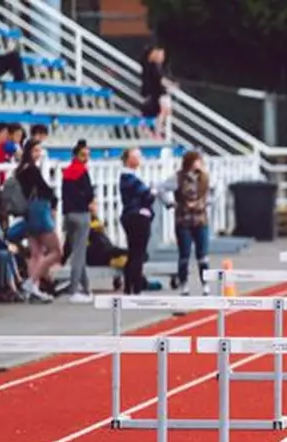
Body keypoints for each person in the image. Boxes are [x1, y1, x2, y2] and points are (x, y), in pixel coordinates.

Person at [15, 139, 58, 303]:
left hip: (29, 213)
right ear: (29, 152)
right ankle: (31, 282)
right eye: (35, 151)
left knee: (36, 253)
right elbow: (45, 189)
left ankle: (34, 289)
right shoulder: (31, 170)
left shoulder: (20, 170)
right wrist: (54, 201)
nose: (38, 154)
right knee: (56, 251)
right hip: (39, 212)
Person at [60, 140, 95, 303]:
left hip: (68, 214)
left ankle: (86, 288)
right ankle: (73, 290)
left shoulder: (67, 172)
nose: (86, 158)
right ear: (76, 155)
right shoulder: (82, 172)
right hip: (81, 214)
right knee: (79, 255)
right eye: (83, 155)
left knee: (77, 251)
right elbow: (89, 194)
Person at [118, 148, 156, 294]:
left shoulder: (128, 178)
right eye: (137, 156)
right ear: (129, 159)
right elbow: (147, 196)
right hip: (137, 217)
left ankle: (129, 286)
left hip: (131, 216)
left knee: (133, 252)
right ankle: (136, 287)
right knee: (138, 253)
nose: (140, 159)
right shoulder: (130, 179)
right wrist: (151, 192)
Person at [173, 150, 211, 295]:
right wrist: (171, 203)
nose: (199, 164)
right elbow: (163, 188)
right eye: (197, 160)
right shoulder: (178, 178)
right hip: (183, 220)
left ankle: (205, 284)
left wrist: (204, 203)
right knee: (184, 254)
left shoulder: (205, 177)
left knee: (202, 254)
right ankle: (184, 285)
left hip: (200, 220)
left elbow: (213, 193)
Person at [140, 45, 175, 139]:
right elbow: (160, 79)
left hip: (156, 94)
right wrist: (171, 85)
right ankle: (157, 132)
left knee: (165, 111)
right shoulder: (153, 66)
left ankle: (157, 132)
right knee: (163, 111)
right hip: (157, 94)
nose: (162, 57)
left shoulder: (153, 66)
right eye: (160, 54)